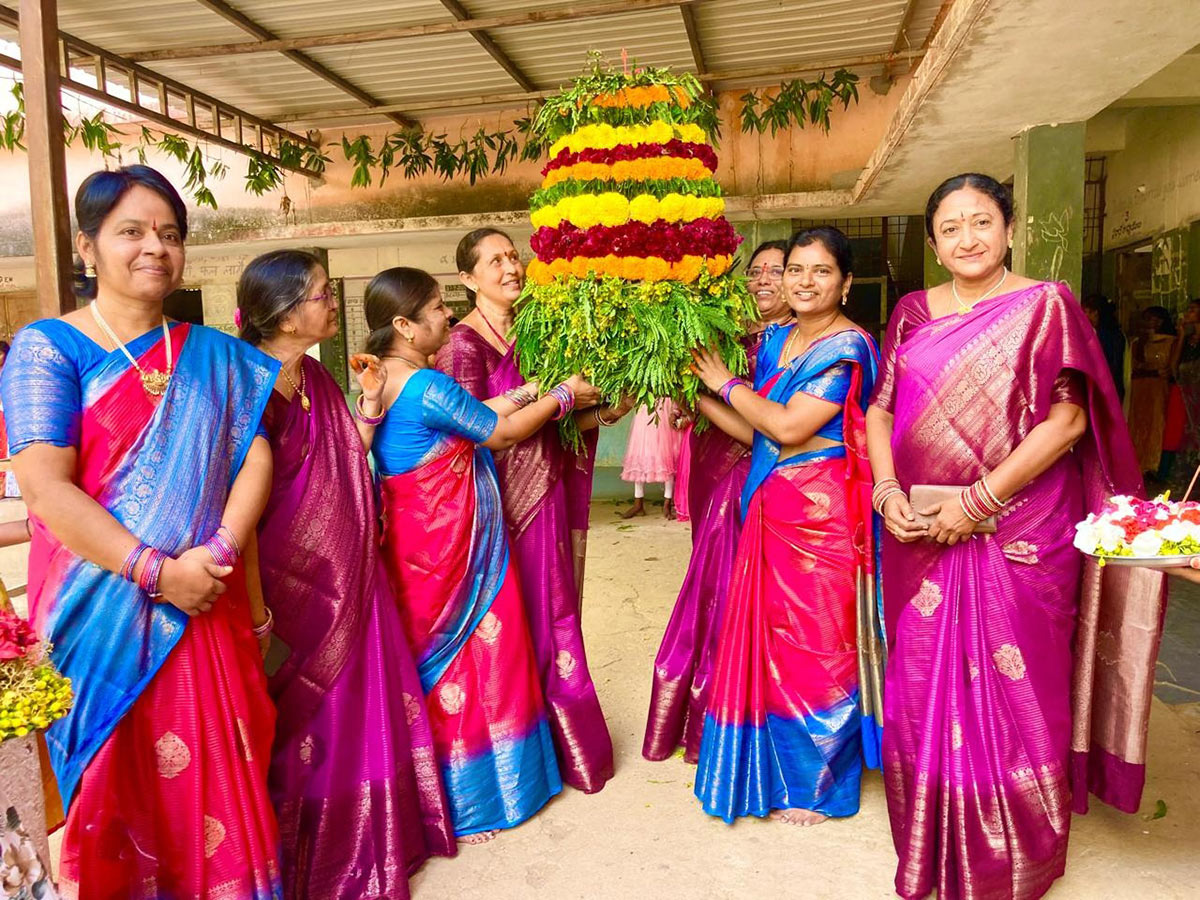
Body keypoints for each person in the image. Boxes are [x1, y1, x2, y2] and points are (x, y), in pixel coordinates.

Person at [866, 172, 1165, 900]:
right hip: (919, 529)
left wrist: (980, 499)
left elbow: (1068, 422)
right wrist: (885, 490)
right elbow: (880, 408)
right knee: (920, 678)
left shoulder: (1046, 305)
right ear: (933, 243)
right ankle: (933, 834)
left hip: (1023, 531)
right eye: (950, 227)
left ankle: (1017, 850)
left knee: (1022, 675)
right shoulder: (910, 311)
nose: (967, 238)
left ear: (1008, 228)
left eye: (981, 222)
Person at [2, 165, 282, 895]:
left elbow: (256, 456)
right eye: (131, 231)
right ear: (89, 248)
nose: (154, 246)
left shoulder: (212, 355)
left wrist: (214, 555)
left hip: (205, 598)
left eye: (169, 233)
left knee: (223, 778)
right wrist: (161, 573)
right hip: (102, 616)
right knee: (117, 786)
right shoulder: (47, 349)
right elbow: (43, 486)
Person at [236, 251, 455, 897]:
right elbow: (246, 505)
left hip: (352, 570)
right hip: (291, 582)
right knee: (308, 717)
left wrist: (365, 403)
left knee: (365, 703)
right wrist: (255, 612)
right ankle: (318, 855)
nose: (332, 303)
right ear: (281, 312)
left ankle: (377, 838)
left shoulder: (320, 379)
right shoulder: (248, 386)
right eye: (319, 295)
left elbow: (346, 456)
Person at [366, 266, 591, 841]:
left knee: (433, 664)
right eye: (438, 307)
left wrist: (530, 389)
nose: (447, 315)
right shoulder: (427, 384)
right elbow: (496, 432)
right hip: (455, 552)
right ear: (404, 325)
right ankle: (479, 802)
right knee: (477, 659)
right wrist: (565, 395)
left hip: (418, 549)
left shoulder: (387, 380)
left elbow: (470, 415)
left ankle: (440, 792)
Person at [689, 226, 883, 826]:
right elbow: (760, 433)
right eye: (794, 269)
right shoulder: (779, 341)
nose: (803, 281)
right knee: (772, 643)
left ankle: (824, 786)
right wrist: (696, 393)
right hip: (770, 506)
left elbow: (793, 427)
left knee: (821, 646)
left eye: (820, 271)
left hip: (823, 518)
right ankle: (774, 770)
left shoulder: (846, 349)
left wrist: (724, 382)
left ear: (845, 283)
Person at [436, 228, 628, 794]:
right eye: (494, 261)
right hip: (494, 506)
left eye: (513, 255)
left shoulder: (539, 336)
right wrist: (560, 397)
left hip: (544, 495)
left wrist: (606, 409)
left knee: (553, 612)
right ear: (468, 280)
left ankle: (560, 744)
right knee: (506, 626)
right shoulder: (461, 347)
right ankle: (514, 755)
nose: (510, 267)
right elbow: (473, 433)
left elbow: (557, 421)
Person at [643, 239, 793, 763]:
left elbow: (763, 433)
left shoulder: (791, 346)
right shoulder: (727, 337)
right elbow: (701, 407)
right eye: (756, 271)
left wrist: (708, 393)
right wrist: (691, 400)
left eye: (779, 270)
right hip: (709, 465)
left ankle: (739, 716)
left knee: (737, 584)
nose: (764, 280)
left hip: (750, 475)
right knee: (711, 580)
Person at [1128, 304, 1177, 478]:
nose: (1151, 322)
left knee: (1157, 423)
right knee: (1138, 423)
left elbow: (1168, 369)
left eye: (1155, 318)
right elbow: (1133, 368)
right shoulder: (1138, 342)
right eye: (1148, 319)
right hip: (1140, 388)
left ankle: (1153, 465)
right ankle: (1137, 464)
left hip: (1159, 388)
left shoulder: (1171, 341)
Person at [620, 399, 685, 519]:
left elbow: (677, 392)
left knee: (667, 454)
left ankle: (667, 503)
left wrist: (675, 411)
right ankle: (638, 503)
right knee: (641, 452)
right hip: (645, 409)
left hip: (666, 409)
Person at [1173, 298, 1200, 485]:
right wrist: (1182, 336)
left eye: (1192, 310)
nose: (1187, 314)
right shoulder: (1188, 343)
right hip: (1189, 398)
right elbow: (1174, 368)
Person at [1081, 293, 1127, 400]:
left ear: (1097, 313)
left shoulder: (1110, 335)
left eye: (1089, 312)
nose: (1086, 316)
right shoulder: (1114, 334)